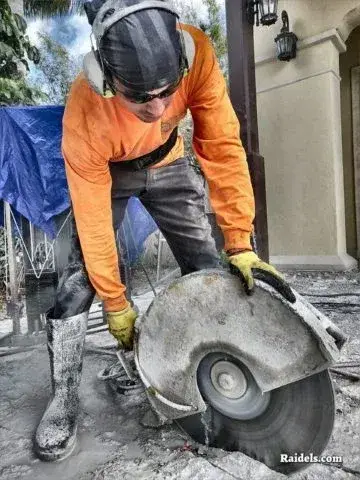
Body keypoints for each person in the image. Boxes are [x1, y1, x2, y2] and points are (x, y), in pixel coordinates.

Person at [34, 0, 295, 462]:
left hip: (168, 164)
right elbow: (94, 221)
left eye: (165, 91)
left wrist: (239, 239)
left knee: (210, 266)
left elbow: (220, 144)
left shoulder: (197, 52)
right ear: (105, 78)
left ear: (181, 60)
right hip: (108, 173)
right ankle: (63, 398)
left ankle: (220, 372)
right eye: (139, 96)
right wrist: (115, 303)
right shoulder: (84, 110)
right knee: (78, 283)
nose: (156, 107)